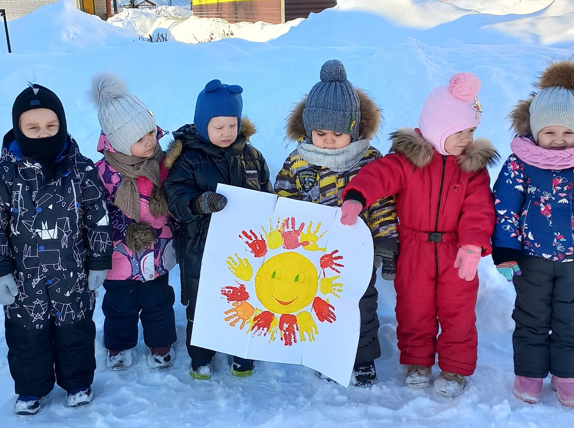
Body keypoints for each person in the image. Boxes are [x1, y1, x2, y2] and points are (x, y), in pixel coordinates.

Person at [340, 72, 497, 397]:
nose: (467, 138)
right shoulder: (407, 161)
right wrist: (357, 196)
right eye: (460, 131)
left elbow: (479, 209)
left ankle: (454, 370)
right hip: (414, 249)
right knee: (414, 310)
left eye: (472, 130)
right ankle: (417, 362)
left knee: (458, 314)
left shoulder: (472, 169)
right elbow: (378, 175)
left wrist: (472, 245)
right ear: (438, 128)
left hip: (457, 252)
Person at [492, 60, 574, 408]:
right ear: (535, 130)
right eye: (550, 132)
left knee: (572, 317)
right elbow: (505, 206)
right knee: (531, 316)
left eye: (568, 133)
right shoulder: (520, 163)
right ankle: (530, 373)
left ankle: (567, 375)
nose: (558, 141)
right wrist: (505, 250)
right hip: (531, 259)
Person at [0, 83, 112, 415]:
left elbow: (98, 218)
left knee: (75, 332)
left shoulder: (81, 169)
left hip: (72, 273)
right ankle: (31, 389)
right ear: (18, 128)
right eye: (33, 128)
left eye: (51, 126)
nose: (43, 134)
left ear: (62, 125)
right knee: (27, 338)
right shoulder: (5, 173)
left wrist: (99, 259)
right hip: (25, 280)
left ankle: (78, 383)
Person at [274, 59, 398, 387]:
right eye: (321, 133)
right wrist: (285, 234)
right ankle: (326, 354)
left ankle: (362, 359)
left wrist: (386, 243)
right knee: (318, 305)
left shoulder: (369, 162)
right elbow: (283, 200)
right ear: (309, 130)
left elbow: (383, 204)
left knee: (360, 306)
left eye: (338, 133)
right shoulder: (298, 162)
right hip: (313, 256)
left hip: (357, 254)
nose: (328, 140)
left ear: (354, 129)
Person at [164, 79, 273, 379]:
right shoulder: (189, 159)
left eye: (231, 125)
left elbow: (266, 191)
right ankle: (202, 355)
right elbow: (174, 196)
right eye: (218, 126)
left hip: (245, 247)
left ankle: (242, 352)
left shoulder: (252, 157)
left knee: (245, 298)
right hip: (202, 246)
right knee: (204, 303)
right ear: (202, 125)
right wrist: (199, 202)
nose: (226, 133)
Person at [89, 72, 178, 371]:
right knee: (119, 306)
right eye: (141, 139)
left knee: (158, 302)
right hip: (120, 256)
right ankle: (119, 345)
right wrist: (124, 227)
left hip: (157, 251)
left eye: (151, 132)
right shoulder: (103, 173)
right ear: (121, 143)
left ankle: (160, 343)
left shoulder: (163, 164)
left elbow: (176, 193)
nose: (151, 140)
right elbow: (94, 211)